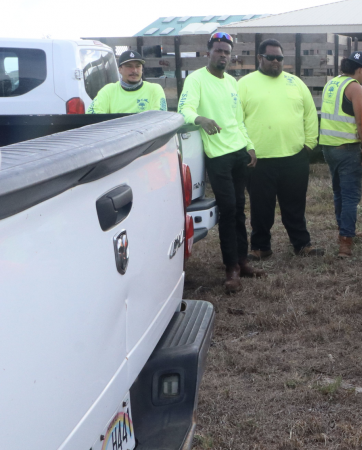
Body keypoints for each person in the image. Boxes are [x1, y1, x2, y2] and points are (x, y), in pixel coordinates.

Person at [177, 32, 259, 293]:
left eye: (227, 52)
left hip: (238, 151)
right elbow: (183, 111)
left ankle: (243, 261)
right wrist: (200, 119)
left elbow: (238, 120)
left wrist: (249, 145)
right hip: (217, 156)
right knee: (228, 209)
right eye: (218, 50)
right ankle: (231, 267)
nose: (223, 55)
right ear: (208, 53)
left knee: (240, 208)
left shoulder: (232, 82)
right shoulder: (196, 79)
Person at [237, 38, 322, 259]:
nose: (276, 61)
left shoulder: (296, 83)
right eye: (271, 57)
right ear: (260, 58)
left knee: (295, 205)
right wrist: (246, 148)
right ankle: (260, 247)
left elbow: (310, 115)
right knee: (260, 207)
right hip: (259, 159)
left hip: (294, 157)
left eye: (280, 58)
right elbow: (236, 120)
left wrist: (309, 145)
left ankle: (302, 244)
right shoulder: (244, 85)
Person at [320, 50, 362, 257]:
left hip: (328, 147)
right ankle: (346, 241)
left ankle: (344, 230)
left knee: (339, 192)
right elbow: (361, 121)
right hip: (347, 148)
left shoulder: (331, 84)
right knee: (350, 196)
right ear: (360, 70)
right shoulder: (355, 87)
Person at [88, 49, 167, 114]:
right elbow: (92, 115)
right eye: (129, 66)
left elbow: (160, 117)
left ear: (142, 69)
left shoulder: (154, 89)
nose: (134, 70)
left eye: (138, 66)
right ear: (120, 70)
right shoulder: (108, 91)